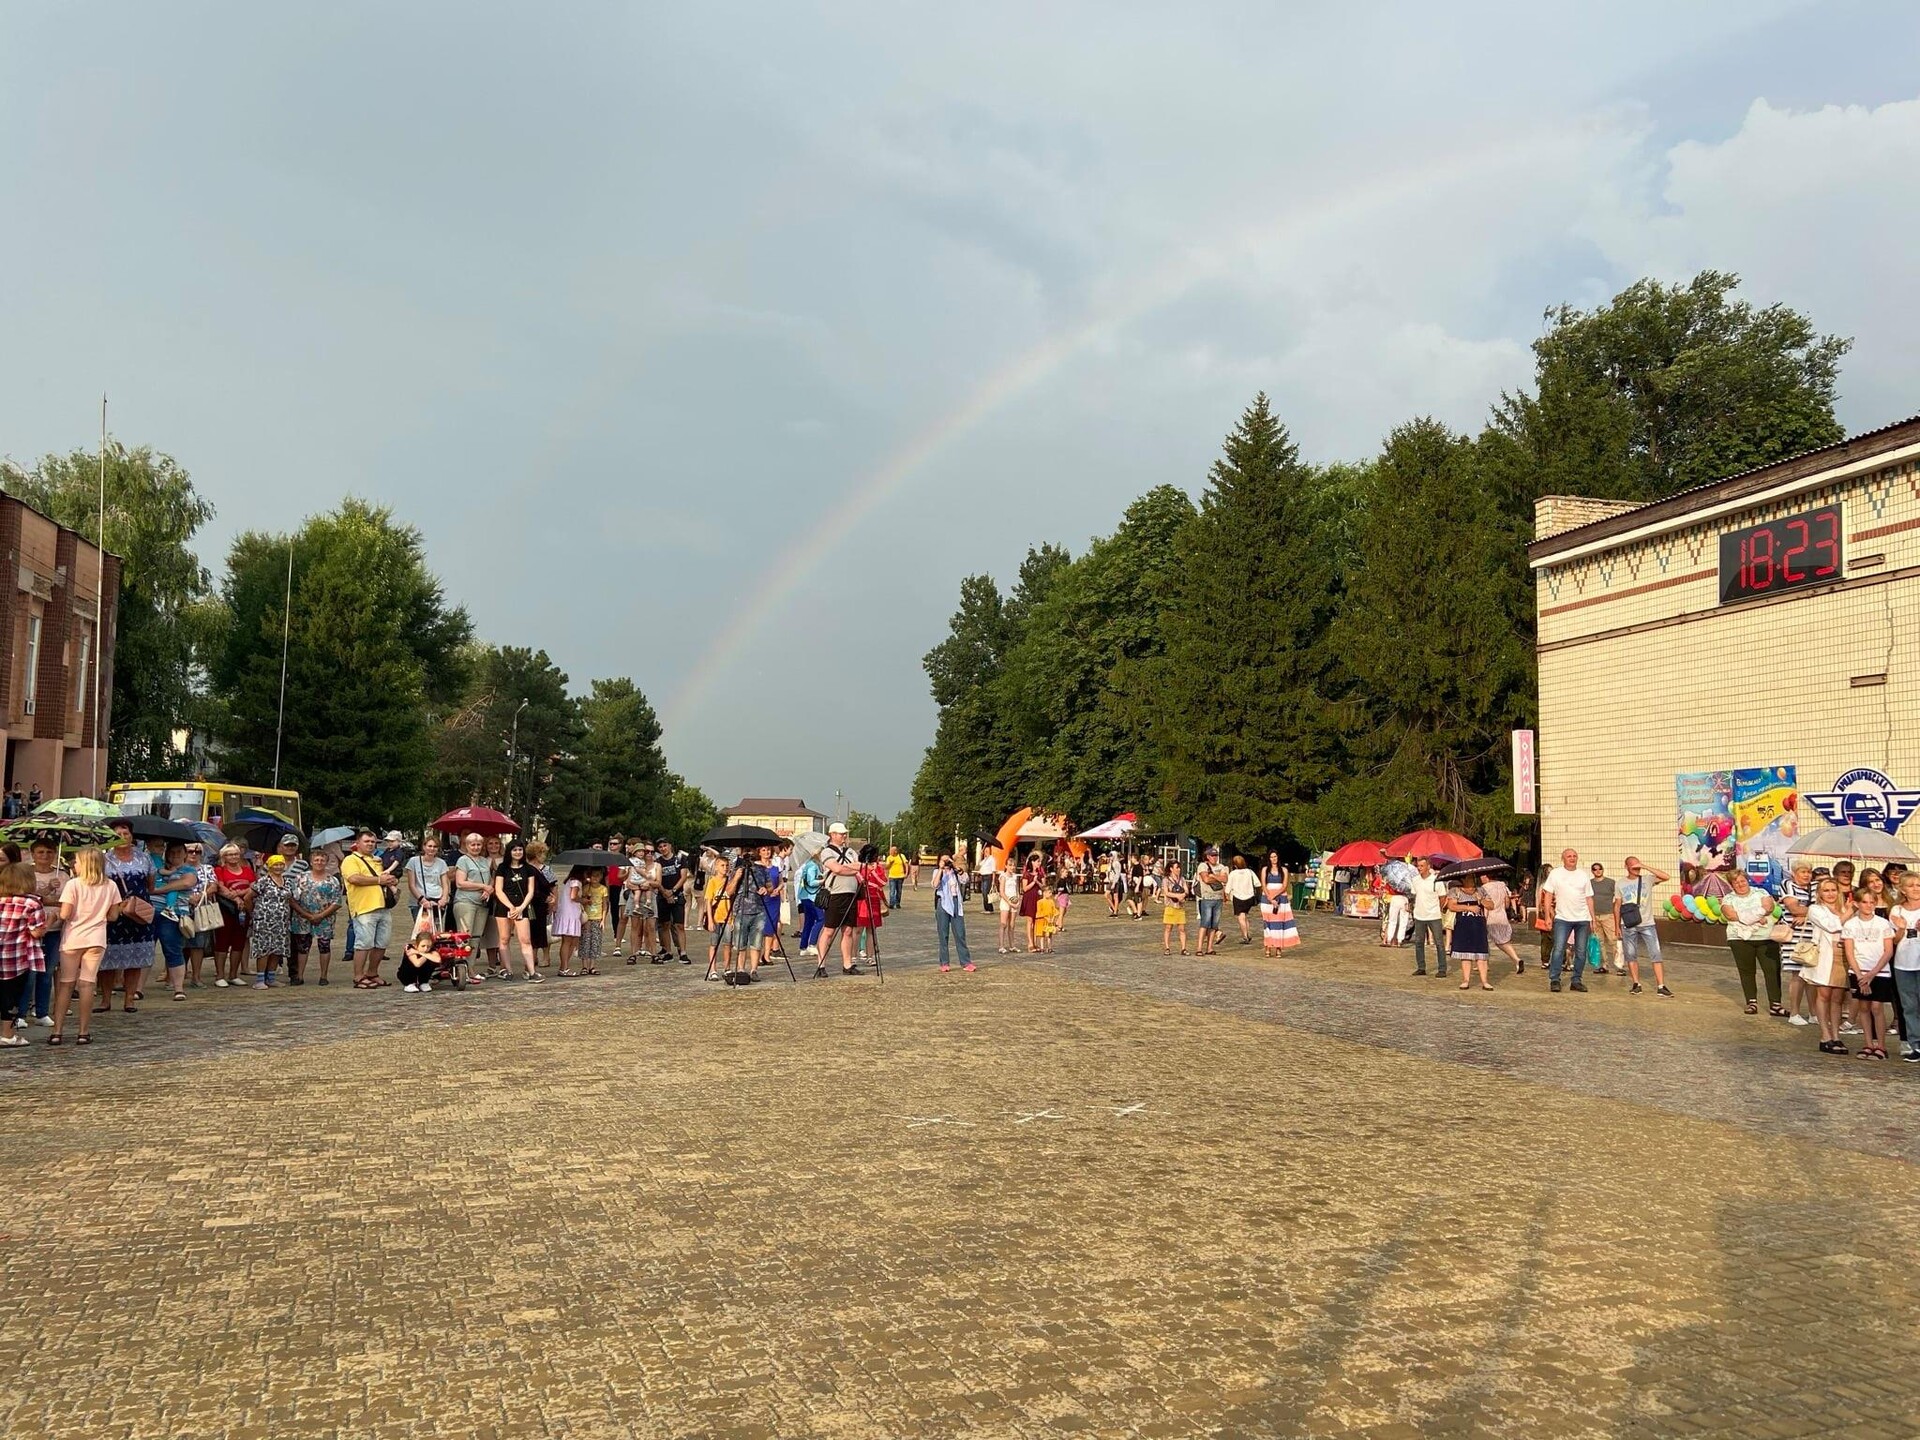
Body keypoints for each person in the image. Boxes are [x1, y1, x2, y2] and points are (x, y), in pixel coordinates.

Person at [50, 847, 118, 1045]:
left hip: (73, 937)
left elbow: (65, 914)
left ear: (84, 865)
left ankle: (57, 1031)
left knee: (66, 984)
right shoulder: (111, 885)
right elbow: (113, 916)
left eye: (77, 861)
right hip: (96, 937)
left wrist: (56, 914)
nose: (74, 864)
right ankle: (83, 1032)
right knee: (87, 984)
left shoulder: (73, 884)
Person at [1843, 884, 1896, 1060]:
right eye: (1864, 902)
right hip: (1858, 971)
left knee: (1876, 1007)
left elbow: (1888, 951)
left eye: (1872, 902)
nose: (1868, 905)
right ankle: (1868, 1044)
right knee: (1864, 1007)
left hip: (1879, 972)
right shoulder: (1850, 924)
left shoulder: (1883, 924)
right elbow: (1849, 952)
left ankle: (1881, 1045)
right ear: (1857, 904)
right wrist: (1860, 975)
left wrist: (1872, 974)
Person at [341, 829, 399, 989]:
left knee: (382, 943)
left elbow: (384, 878)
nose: (370, 844)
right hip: (364, 908)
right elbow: (354, 878)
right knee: (364, 943)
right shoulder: (350, 860)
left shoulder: (378, 860)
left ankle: (372, 973)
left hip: (383, 907)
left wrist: (391, 880)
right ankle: (358, 976)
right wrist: (379, 880)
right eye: (366, 841)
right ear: (357, 843)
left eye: (373, 842)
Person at [1722, 868, 1784, 1016]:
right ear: (1731, 885)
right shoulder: (1728, 899)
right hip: (1740, 939)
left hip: (1765, 937)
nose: (1740, 884)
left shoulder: (1760, 892)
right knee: (1747, 972)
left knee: (1772, 971)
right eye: (1736, 882)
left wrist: (1743, 916)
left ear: (1747, 880)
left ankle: (1775, 1005)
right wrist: (1757, 914)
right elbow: (1730, 915)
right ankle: (1751, 1003)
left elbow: (1769, 907)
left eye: (1742, 880)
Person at [0, 861, 48, 1048]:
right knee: (12, 997)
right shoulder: (32, 903)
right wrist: (51, 919)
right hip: (17, 957)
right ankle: (7, 1034)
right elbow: (36, 932)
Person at [1803, 876, 1850, 1054]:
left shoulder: (1844, 908)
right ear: (1819, 893)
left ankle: (1836, 1035)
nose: (1830, 894)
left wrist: (1847, 911)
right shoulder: (1815, 909)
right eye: (1826, 890)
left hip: (1843, 955)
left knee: (1837, 998)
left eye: (1833, 890)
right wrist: (1848, 913)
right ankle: (1825, 1035)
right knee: (1824, 994)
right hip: (1825, 955)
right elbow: (1831, 926)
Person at [1539, 848, 1593, 993]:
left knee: (1581, 951)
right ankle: (1555, 979)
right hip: (1563, 918)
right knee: (1558, 949)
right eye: (1569, 856)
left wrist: (1592, 918)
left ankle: (1576, 980)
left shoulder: (1583, 875)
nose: (1572, 858)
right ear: (1563, 858)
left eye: (1574, 856)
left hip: (1582, 918)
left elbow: (1589, 897)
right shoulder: (1556, 874)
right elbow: (1548, 895)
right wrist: (1547, 916)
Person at [23, 838, 65, 1024]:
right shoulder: (27, 873)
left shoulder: (62, 875)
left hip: (55, 929)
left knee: (47, 972)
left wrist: (52, 902)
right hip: (32, 929)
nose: (45, 856)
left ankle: (42, 1011)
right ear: (33, 854)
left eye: (49, 852)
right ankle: (21, 1012)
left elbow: (67, 901)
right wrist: (48, 892)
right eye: (40, 852)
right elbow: (29, 898)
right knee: (29, 973)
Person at [813, 823, 864, 976]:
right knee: (829, 930)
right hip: (835, 894)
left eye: (845, 834)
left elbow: (860, 867)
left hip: (851, 894)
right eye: (841, 834)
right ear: (833, 835)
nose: (844, 836)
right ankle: (821, 965)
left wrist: (852, 868)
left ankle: (847, 964)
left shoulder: (851, 852)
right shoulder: (827, 852)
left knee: (848, 930)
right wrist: (853, 868)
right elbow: (837, 869)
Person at [1619, 856, 1672, 997]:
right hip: (1628, 924)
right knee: (1631, 954)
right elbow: (1617, 905)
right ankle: (1636, 984)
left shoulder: (1647, 879)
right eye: (1633, 865)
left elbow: (1666, 877)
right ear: (1626, 867)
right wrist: (1617, 926)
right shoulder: (1620, 883)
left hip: (1647, 923)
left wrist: (1645, 866)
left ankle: (1661, 986)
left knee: (1656, 953)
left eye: (1637, 865)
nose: (1636, 868)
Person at [492, 838, 543, 981]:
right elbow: (498, 890)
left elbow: (530, 891)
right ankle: (507, 970)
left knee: (525, 940)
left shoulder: (528, 869)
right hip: (505, 906)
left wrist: (521, 907)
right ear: (509, 851)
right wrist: (510, 906)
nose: (518, 852)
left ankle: (531, 971)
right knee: (504, 938)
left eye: (520, 849)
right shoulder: (502, 868)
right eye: (515, 850)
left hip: (522, 907)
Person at [152, 841, 196, 1002]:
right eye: (172, 852)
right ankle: (137, 990)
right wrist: (172, 885)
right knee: (146, 950)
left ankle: (178, 989)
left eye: (179, 851)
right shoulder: (157, 866)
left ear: (185, 854)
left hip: (173, 914)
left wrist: (157, 889)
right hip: (150, 912)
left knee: (173, 950)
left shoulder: (189, 870)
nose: (175, 854)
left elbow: (187, 882)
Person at [291, 849, 343, 985]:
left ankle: (323, 976)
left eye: (322, 860)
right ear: (311, 862)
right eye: (316, 860)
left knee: (324, 946)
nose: (319, 862)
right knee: (302, 947)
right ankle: (299, 976)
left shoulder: (333, 880)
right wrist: (307, 915)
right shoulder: (300, 877)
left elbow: (337, 902)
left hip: (325, 918)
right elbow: (292, 899)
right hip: (303, 918)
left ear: (326, 862)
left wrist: (320, 915)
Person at [448, 832, 493, 978]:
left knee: (476, 937)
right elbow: (460, 883)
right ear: (467, 845)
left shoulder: (484, 860)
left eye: (478, 844)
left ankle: (471, 969)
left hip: (482, 903)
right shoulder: (463, 860)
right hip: (466, 901)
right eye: (472, 844)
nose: (476, 847)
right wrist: (483, 886)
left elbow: (489, 879)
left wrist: (488, 889)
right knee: (464, 936)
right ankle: (461, 968)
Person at [211, 843, 254, 987]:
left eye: (236, 854)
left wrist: (241, 894)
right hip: (226, 908)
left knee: (239, 941)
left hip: (244, 909)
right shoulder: (219, 870)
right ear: (224, 856)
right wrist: (235, 898)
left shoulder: (247, 870)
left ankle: (233, 975)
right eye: (230, 854)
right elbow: (220, 887)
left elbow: (253, 886)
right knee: (222, 941)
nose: (233, 857)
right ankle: (220, 975)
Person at [1779, 859, 1816, 1026]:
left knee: (1812, 976)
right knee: (1797, 975)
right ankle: (1794, 1012)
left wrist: (1806, 913)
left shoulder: (1815, 887)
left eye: (1809, 872)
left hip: (1813, 935)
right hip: (1794, 937)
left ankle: (1814, 1013)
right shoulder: (1788, 885)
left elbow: (1825, 908)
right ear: (1794, 874)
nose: (1807, 875)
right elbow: (1793, 908)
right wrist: (1812, 911)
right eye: (1803, 872)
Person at [248, 854, 292, 989]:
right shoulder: (264, 881)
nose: (278, 867)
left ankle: (271, 978)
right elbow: (248, 897)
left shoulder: (287, 881)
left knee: (277, 949)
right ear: (269, 866)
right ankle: (260, 979)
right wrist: (253, 913)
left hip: (281, 921)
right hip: (264, 921)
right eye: (275, 865)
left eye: (281, 864)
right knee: (264, 949)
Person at [1889, 871, 1920, 1062]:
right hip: (1903, 963)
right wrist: (1901, 928)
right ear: (1902, 890)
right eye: (1911, 885)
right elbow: (1894, 940)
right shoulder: (1897, 910)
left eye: (1918, 885)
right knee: (1909, 1006)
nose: (1915, 889)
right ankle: (1915, 1044)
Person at [933, 851, 974, 972]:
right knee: (943, 934)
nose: (946, 863)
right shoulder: (937, 871)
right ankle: (944, 962)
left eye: (947, 860)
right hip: (943, 903)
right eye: (944, 860)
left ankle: (966, 962)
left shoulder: (955, 872)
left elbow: (965, 879)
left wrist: (955, 866)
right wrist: (941, 869)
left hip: (956, 902)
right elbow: (935, 885)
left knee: (960, 933)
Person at [1407, 856, 1448, 978]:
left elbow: (1442, 897)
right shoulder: (1415, 880)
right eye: (1418, 866)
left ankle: (1442, 969)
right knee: (1419, 942)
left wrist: (1439, 908)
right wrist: (1412, 907)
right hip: (1419, 915)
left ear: (1428, 867)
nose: (1419, 868)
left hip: (1434, 915)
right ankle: (1421, 967)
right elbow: (1414, 895)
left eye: (1422, 866)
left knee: (1439, 943)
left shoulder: (1436, 881)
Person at [1478, 871, 1522, 973]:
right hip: (1502, 915)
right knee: (1503, 940)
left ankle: (1516, 959)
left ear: (1486, 876)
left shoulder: (1484, 888)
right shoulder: (1502, 885)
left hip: (1491, 917)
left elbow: (1486, 906)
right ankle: (1485, 962)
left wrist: (1484, 918)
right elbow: (1507, 903)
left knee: (1497, 941)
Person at [405, 836, 449, 938]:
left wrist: (444, 898)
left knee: (435, 932)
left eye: (435, 846)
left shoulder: (441, 863)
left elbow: (445, 884)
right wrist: (422, 900)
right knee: (422, 932)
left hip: (437, 901)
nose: (432, 849)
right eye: (429, 846)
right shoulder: (413, 861)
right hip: (419, 901)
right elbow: (411, 884)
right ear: (424, 847)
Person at [655, 838, 690, 964]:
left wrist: (673, 891)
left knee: (679, 925)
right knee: (665, 924)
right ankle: (668, 952)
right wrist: (665, 893)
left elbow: (683, 876)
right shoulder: (657, 862)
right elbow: (656, 879)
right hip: (662, 895)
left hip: (677, 895)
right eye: (660, 847)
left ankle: (683, 952)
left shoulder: (680, 859)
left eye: (665, 845)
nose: (663, 848)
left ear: (670, 846)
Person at [1193, 847, 1229, 957]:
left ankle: (1209, 948)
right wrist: (1218, 877)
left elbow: (1225, 879)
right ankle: (1199, 948)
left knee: (1214, 925)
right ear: (1208, 857)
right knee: (1205, 923)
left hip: (1218, 898)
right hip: (1207, 898)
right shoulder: (1203, 866)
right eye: (1212, 856)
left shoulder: (1222, 866)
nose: (1214, 858)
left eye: (1216, 855)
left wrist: (1213, 875)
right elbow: (1206, 879)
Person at [526, 839, 556, 969]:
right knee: (531, 932)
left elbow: (553, 886)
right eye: (543, 853)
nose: (544, 856)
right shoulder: (526, 869)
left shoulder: (547, 869)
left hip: (544, 905)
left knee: (544, 931)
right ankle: (532, 958)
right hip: (531, 905)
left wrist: (554, 903)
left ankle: (545, 956)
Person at [1588, 861, 1622, 975]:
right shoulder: (1589, 883)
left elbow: (1618, 897)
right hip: (1594, 916)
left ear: (1603, 870)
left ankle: (1619, 966)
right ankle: (1604, 965)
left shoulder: (1611, 882)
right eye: (1595, 869)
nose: (1598, 871)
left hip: (1608, 915)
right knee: (1599, 942)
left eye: (1600, 868)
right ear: (1592, 871)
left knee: (1613, 940)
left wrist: (1615, 910)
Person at [554, 865, 586, 975]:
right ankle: (564, 968)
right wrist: (583, 900)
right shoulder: (576, 882)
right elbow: (573, 896)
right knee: (568, 942)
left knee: (570, 941)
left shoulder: (570, 881)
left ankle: (564, 966)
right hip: (570, 913)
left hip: (568, 913)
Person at [796, 847, 825, 958]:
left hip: (805, 896)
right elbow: (811, 882)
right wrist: (823, 881)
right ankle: (812, 944)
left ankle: (803, 946)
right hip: (811, 896)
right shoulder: (813, 865)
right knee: (821, 919)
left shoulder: (809, 864)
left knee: (809, 921)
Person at [1226, 855, 1259, 945]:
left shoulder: (1233, 873)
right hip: (1249, 897)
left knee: (1241, 917)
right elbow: (1257, 883)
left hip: (1238, 897)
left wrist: (1226, 894)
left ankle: (1245, 936)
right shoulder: (1250, 872)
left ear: (1235, 865)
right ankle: (1247, 933)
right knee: (1244, 916)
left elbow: (1228, 887)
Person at [580, 865, 608, 971]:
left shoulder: (603, 889)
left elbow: (605, 905)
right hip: (587, 918)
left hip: (597, 918)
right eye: (593, 876)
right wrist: (585, 898)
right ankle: (584, 966)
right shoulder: (585, 888)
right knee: (585, 941)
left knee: (595, 941)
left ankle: (592, 965)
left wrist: (603, 920)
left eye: (598, 876)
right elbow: (581, 903)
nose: (595, 878)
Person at [1161, 861, 1190, 956]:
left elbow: (1186, 890)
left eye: (1179, 867)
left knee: (1182, 928)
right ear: (1171, 869)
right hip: (1170, 906)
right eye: (1177, 867)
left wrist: (1183, 895)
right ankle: (1167, 947)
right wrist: (1177, 896)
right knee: (1168, 927)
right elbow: (1166, 892)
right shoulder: (1166, 880)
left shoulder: (1182, 879)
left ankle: (1183, 948)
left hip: (1180, 907)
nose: (1179, 869)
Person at [997, 861, 1020, 954]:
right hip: (1006, 901)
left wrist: (1018, 899)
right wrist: (1009, 902)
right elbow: (1002, 892)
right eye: (1010, 865)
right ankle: (1001, 946)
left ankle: (1012, 945)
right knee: (1003, 924)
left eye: (1013, 865)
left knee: (1012, 924)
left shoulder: (1015, 877)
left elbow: (1017, 890)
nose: (1012, 867)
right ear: (1006, 866)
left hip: (1014, 901)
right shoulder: (1003, 877)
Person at [884, 845, 907, 910]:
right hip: (892, 877)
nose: (890, 852)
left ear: (896, 851)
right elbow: (886, 867)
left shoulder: (901, 856)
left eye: (891, 851)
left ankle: (897, 903)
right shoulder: (889, 858)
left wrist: (906, 873)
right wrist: (890, 863)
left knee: (899, 891)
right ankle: (891, 904)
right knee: (892, 891)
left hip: (900, 876)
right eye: (890, 851)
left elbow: (906, 865)